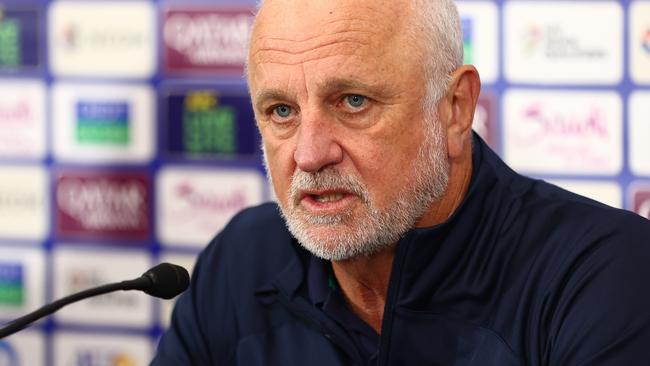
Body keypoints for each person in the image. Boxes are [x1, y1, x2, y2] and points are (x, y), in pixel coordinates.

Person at [151, 0, 650, 364]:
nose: (308, 154)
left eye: (352, 102)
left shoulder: (603, 274)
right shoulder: (241, 260)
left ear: (456, 109)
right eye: (281, 110)